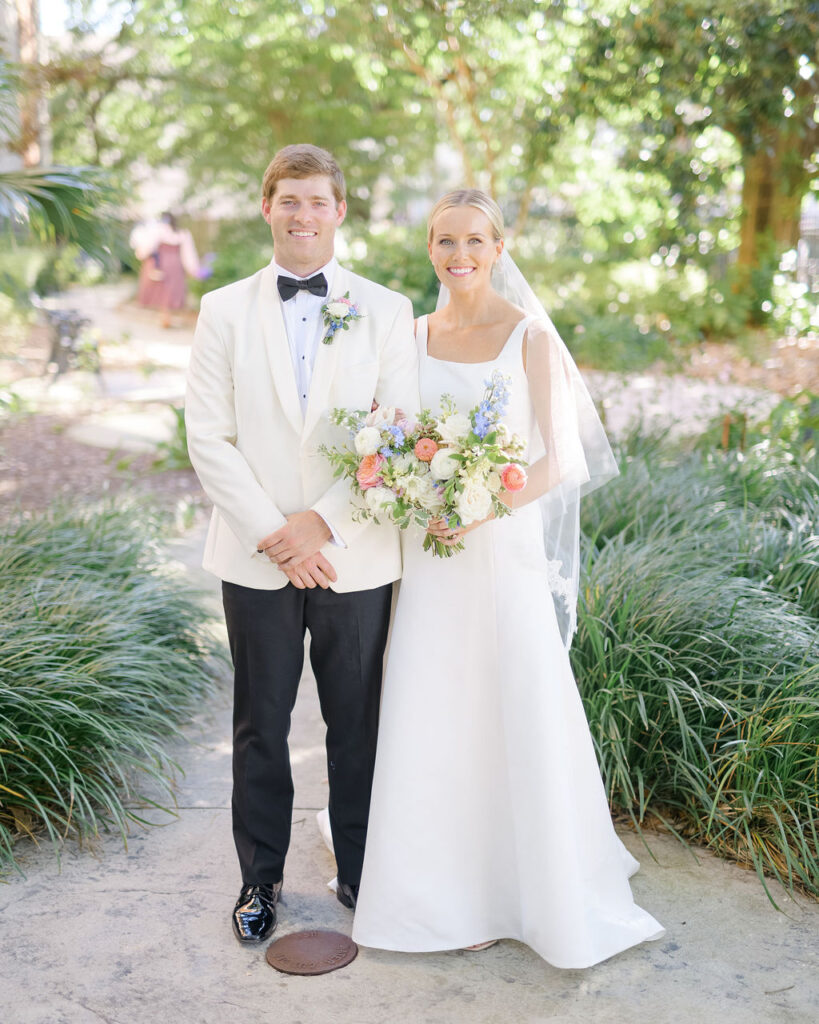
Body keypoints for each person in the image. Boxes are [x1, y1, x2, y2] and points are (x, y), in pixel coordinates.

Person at [351, 189, 664, 967]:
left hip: (499, 548)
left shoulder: (529, 337)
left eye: (473, 241)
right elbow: (392, 435)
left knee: (510, 697)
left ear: (498, 248)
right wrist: (408, 488)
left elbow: (560, 458)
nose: (458, 255)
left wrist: (480, 506)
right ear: (429, 248)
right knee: (432, 703)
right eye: (443, 240)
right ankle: (433, 888)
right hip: (430, 555)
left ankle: (526, 884)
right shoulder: (411, 336)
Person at [184, 144, 419, 944]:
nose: (303, 215)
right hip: (254, 557)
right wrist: (276, 536)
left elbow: (397, 432)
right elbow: (207, 437)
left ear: (339, 211)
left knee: (356, 724)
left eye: (318, 201)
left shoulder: (386, 309)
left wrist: (322, 523)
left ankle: (360, 872)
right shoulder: (222, 310)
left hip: (355, 553)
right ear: (266, 207)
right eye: (289, 200)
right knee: (260, 724)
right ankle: (260, 880)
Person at [132, 211, 199, 327]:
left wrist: (141, 254)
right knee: (171, 290)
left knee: (162, 291)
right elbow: (188, 253)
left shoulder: (158, 230)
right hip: (175, 265)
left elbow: (147, 248)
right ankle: (166, 317)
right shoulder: (183, 233)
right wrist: (193, 269)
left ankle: (165, 317)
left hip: (161, 264)